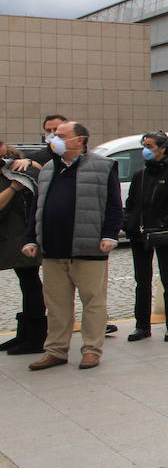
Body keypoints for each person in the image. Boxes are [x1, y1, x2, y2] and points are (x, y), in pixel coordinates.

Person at [22, 121, 122, 370]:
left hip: (88, 248)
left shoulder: (103, 166)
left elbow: (114, 205)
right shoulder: (47, 169)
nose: (53, 138)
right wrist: (30, 238)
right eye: (53, 134)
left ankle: (91, 350)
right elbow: (37, 207)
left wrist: (109, 234)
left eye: (60, 135)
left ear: (80, 140)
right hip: (53, 250)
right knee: (56, 305)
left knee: (93, 303)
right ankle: (55, 350)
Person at [123, 131, 168, 342]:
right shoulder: (139, 174)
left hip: (163, 235)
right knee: (141, 281)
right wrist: (129, 223)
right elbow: (131, 204)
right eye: (144, 145)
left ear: (162, 148)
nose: (145, 149)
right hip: (140, 235)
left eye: (150, 146)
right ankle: (142, 326)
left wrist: (165, 222)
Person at [0, 140, 45, 355]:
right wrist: (14, 186)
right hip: (10, 236)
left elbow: (40, 173)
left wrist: (29, 164)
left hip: (23, 236)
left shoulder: (14, 167)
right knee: (27, 283)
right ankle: (25, 334)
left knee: (30, 283)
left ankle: (34, 338)